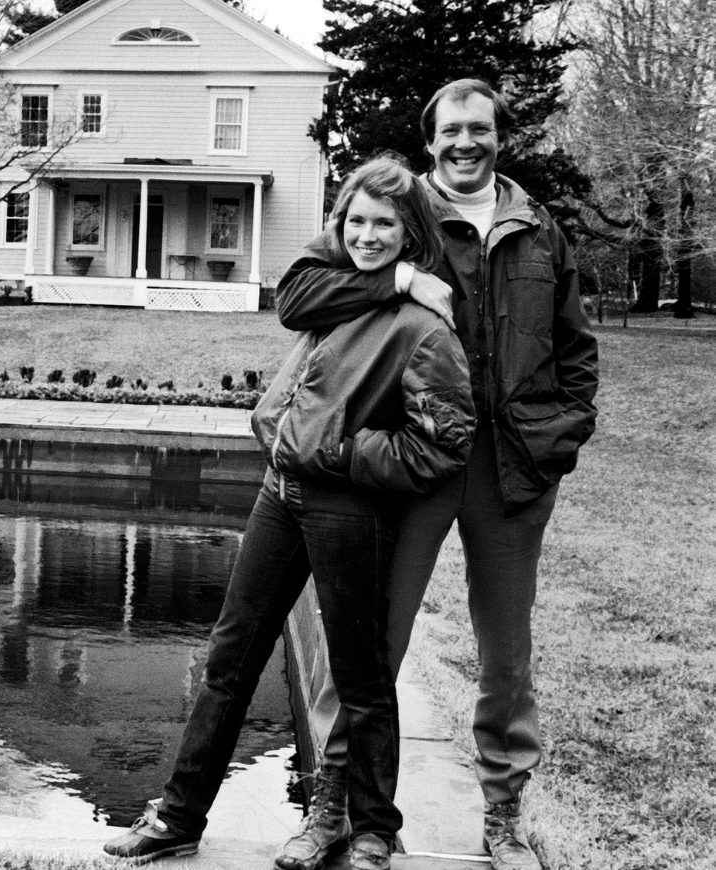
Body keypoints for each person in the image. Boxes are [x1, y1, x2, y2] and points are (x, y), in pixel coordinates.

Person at [104, 154, 476, 870]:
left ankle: (372, 830)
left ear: (410, 233)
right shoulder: (334, 292)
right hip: (281, 494)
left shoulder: (424, 329)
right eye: (356, 222)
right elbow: (296, 296)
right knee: (229, 659)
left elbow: (442, 447)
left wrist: (345, 454)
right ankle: (179, 816)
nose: (368, 235)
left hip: (348, 507)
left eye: (385, 225)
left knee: (361, 674)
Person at [277, 80, 600, 870]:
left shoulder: (537, 228)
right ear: (431, 140)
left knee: (506, 653)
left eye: (479, 129)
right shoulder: (399, 212)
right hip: (412, 464)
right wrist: (396, 279)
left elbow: (575, 350)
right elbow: (300, 293)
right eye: (451, 130)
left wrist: (560, 435)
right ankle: (332, 807)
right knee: (369, 644)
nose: (465, 142)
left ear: (499, 137)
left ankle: (503, 815)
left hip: (512, 471)